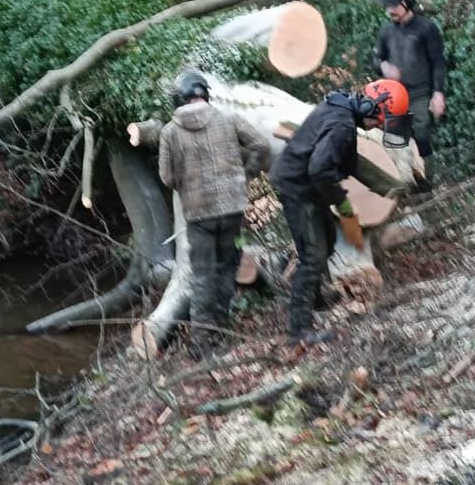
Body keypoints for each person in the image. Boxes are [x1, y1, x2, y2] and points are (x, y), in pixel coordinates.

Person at [269, 83, 405, 346]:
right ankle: (299, 330)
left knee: (329, 239)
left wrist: (385, 185)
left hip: (304, 182)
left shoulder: (340, 107)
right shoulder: (341, 126)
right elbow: (320, 170)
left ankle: (316, 297)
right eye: (379, 120)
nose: (378, 126)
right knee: (313, 254)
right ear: (372, 107)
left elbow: (345, 161)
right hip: (297, 187)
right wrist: (341, 203)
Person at [158, 71, 271, 359]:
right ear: (205, 93)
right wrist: (246, 174)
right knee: (228, 265)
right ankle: (221, 327)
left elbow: (167, 177)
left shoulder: (170, 132)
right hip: (232, 209)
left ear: (180, 98)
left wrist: (187, 184)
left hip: (199, 214)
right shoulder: (229, 118)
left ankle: (201, 341)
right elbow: (261, 145)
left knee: (203, 274)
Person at [374, 0, 447, 169]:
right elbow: (376, 58)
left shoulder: (426, 28)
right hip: (394, 95)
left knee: (422, 133)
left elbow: (438, 62)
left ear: (406, 3)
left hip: (420, 92)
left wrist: (438, 93)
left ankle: (430, 179)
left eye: (393, 5)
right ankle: (407, 184)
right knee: (396, 141)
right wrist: (384, 66)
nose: (389, 10)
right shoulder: (386, 32)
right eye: (387, 6)